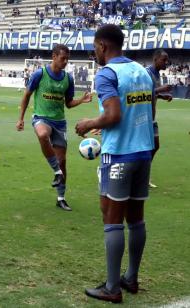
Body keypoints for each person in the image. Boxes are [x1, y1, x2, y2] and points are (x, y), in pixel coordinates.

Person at [76, 24, 155, 303]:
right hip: (143, 152)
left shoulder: (107, 74)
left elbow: (113, 115)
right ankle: (131, 278)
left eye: (94, 47)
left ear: (102, 45)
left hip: (119, 153)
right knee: (136, 218)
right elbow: (148, 110)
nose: (94, 52)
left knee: (111, 217)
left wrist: (89, 123)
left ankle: (112, 287)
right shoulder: (142, 72)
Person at [16, 44, 92, 211]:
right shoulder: (39, 74)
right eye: (63, 58)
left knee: (63, 161)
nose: (65, 62)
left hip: (60, 123)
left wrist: (81, 100)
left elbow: (69, 104)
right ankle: (56, 172)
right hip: (41, 118)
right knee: (42, 134)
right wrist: (20, 119)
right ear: (54, 56)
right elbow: (26, 95)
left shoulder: (68, 79)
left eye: (67, 59)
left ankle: (61, 198)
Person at [145, 49, 172, 188]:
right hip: (144, 118)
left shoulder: (157, 74)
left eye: (167, 60)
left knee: (155, 146)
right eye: (164, 60)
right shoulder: (147, 73)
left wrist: (162, 95)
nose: (166, 63)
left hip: (152, 117)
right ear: (155, 59)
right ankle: (141, 177)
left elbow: (153, 94)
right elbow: (143, 93)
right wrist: (161, 90)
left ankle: (144, 175)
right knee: (145, 148)